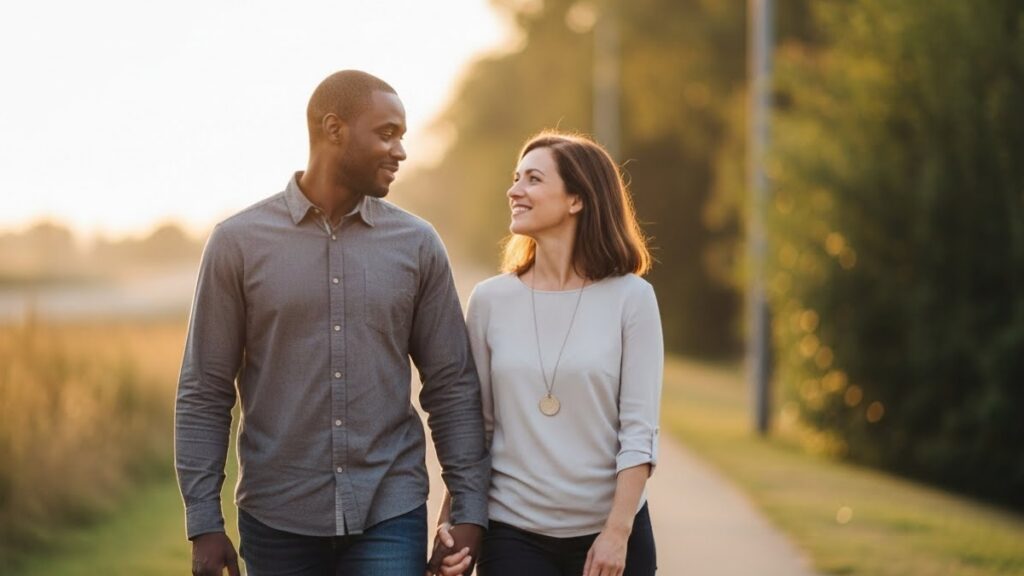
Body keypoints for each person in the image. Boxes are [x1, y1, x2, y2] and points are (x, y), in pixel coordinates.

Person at [175, 70, 490, 576]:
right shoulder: (237, 244)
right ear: (334, 129)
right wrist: (204, 522)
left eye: (402, 137)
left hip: (390, 508)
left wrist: (470, 509)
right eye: (386, 134)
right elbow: (205, 390)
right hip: (277, 516)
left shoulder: (417, 245)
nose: (400, 151)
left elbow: (451, 385)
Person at [429, 131, 662, 576]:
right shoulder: (490, 300)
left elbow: (639, 431)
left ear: (577, 199)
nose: (514, 191)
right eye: (516, 178)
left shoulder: (632, 298)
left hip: (608, 533)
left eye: (533, 179)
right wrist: (455, 516)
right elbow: (477, 425)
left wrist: (617, 533)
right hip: (513, 533)